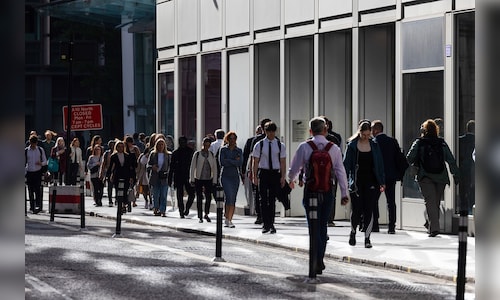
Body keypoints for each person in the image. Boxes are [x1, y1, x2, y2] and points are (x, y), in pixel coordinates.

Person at [287, 117, 349, 275]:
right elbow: (340, 172)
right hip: (328, 191)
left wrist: (291, 180)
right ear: (326, 130)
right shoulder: (333, 148)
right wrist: (344, 193)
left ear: (310, 131)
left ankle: (315, 258)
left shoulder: (305, 147)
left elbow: (294, 168)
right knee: (322, 226)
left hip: (311, 191)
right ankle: (319, 258)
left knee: (312, 226)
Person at [406, 119, 459, 237]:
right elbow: (451, 160)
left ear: (423, 130)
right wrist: (456, 174)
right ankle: (431, 225)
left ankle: (434, 228)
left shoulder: (419, 142)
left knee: (430, 202)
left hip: (425, 177)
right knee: (435, 203)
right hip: (441, 177)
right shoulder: (442, 143)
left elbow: (409, 158)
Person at [344, 120, 385, 248]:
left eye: (368, 135)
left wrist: (382, 182)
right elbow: (346, 165)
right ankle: (353, 231)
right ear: (359, 132)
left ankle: (367, 238)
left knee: (369, 210)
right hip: (356, 182)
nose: (367, 137)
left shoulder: (374, 145)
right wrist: (344, 182)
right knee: (356, 210)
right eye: (364, 135)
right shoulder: (352, 146)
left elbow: (379, 164)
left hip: (371, 181)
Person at [251, 121, 286, 234]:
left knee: (272, 199)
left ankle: (271, 223)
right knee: (263, 199)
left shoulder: (280, 145)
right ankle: (265, 224)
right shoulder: (259, 144)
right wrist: (254, 175)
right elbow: (255, 161)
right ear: (265, 131)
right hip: (264, 173)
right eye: (268, 131)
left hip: (275, 173)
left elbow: (282, 162)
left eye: (272, 131)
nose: (270, 134)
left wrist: (283, 176)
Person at [371, 120, 404, 234]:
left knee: (374, 200)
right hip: (391, 176)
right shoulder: (392, 141)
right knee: (391, 201)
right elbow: (398, 158)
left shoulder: (373, 142)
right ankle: (391, 226)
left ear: (376, 130)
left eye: (372, 129)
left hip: (377, 177)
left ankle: (375, 224)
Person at [320, 116, 343, 227]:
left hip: (331, 171)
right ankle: (323, 217)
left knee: (331, 194)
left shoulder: (335, 138)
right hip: (319, 171)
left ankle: (329, 218)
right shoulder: (311, 141)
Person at [248, 118, 272, 224]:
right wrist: (252, 173)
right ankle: (262, 215)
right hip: (261, 171)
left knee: (260, 195)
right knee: (261, 194)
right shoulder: (257, 141)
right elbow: (253, 158)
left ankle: (262, 216)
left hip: (265, 171)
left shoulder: (257, 141)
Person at [189, 137, 218, 223]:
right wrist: (192, 179)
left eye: (208, 145)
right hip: (199, 178)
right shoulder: (197, 154)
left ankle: (206, 213)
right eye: (205, 145)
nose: (206, 147)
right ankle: (200, 216)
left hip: (208, 178)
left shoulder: (211, 155)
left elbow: (215, 168)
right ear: (202, 144)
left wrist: (215, 180)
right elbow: (192, 167)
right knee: (199, 197)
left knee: (208, 197)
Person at [168, 136, 196, 218]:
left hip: (188, 176)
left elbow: (194, 166)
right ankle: (181, 211)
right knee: (179, 195)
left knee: (191, 194)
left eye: (184, 142)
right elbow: (171, 167)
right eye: (181, 142)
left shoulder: (191, 152)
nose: (182, 143)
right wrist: (170, 178)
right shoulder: (175, 153)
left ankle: (186, 208)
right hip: (178, 176)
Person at [219, 131, 243, 228]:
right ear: (227, 139)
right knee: (228, 196)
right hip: (225, 176)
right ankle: (227, 218)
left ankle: (229, 219)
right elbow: (222, 162)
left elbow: (240, 162)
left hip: (235, 176)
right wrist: (233, 161)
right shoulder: (223, 150)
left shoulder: (239, 151)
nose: (232, 141)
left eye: (234, 139)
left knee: (233, 198)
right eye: (230, 139)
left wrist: (229, 161)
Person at [108, 140, 137, 214]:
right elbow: (110, 167)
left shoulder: (127, 156)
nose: (120, 148)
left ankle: (124, 204)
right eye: (119, 147)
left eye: (122, 147)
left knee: (125, 191)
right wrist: (108, 176)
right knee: (118, 191)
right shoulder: (114, 156)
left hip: (126, 175)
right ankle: (120, 205)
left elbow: (130, 167)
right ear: (116, 147)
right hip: (117, 175)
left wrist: (131, 177)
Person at [241, 125, 263, 214]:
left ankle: (258, 211)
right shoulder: (252, 141)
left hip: (261, 169)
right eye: (258, 130)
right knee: (254, 191)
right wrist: (243, 170)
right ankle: (255, 209)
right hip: (253, 168)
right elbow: (247, 155)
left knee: (256, 191)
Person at [147, 138, 171, 217]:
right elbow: (148, 166)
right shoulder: (153, 154)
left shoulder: (168, 155)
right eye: (159, 145)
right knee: (156, 194)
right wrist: (152, 167)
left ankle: (163, 210)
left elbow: (170, 166)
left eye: (162, 144)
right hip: (155, 177)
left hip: (164, 177)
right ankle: (156, 208)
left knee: (164, 195)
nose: (160, 146)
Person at [25, 135, 47, 213]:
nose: (33, 145)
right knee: (30, 190)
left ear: (37, 143)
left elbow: (45, 161)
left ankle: (38, 206)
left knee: (37, 190)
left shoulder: (40, 150)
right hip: (29, 172)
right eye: (32, 144)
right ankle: (32, 206)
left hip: (38, 172)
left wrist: (41, 163)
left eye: (34, 144)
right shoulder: (26, 150)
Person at [458, 120, 475, 214]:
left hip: (461, 169)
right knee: (471, 191)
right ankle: (471, 210)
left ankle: (463, 210)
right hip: (472, 169)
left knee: (462, 192)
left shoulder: (460, 140)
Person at [99, 139, 116, 207]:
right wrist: (101, 173)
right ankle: (110, 200)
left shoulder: (116, 153)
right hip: (109, 171)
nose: (112, 146)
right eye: (111, 145)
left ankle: (117, 199)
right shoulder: (107, 153)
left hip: (116, 171)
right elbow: (103, 164)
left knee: (118, 186)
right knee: (110, 187)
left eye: (113, 145)